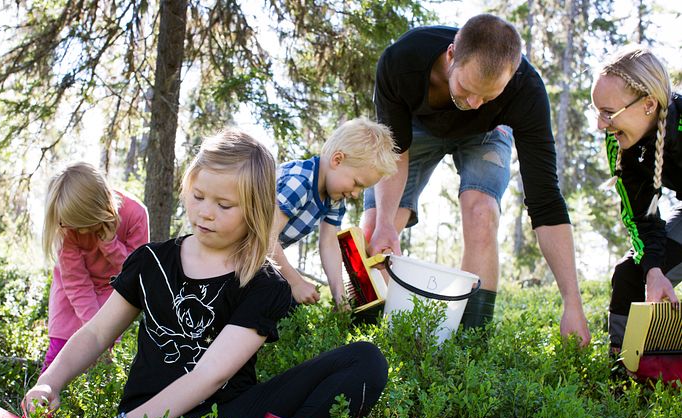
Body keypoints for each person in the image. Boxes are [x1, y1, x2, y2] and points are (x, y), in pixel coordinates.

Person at [22, 129, 388, 418]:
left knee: (366, 360)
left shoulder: (262, 283)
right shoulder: (152, 261)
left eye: (225, 205)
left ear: (255, 210)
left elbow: (210, 376)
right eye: (198, 196)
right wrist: (49, 383)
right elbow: (96, 333)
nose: (206, 212)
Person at [361, 14, 590, 344]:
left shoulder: (526, 91)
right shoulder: (403, 62)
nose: (474, 103)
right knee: (376, 225)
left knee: (481, 211)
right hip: (417, 129)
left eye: (489, 95)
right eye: (466, 89)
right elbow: (394, 152)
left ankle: (472, 341)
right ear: (451, 54)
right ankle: (372, 330)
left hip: (487, 134)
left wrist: (572, 302)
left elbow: (546, 200)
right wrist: (384, 221)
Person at [590, 45, 681, 353]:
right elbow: (642, 216)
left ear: (648, 105)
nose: (601, 124)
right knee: (632, 272)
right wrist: (654, 269)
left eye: (608, 113)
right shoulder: (620, 142)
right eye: (597, 111)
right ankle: (622, 375)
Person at [272, 117, 398, 307]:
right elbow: (264, 236)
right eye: (357, 183)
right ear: (337, 160)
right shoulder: (299, 181)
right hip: (234, 246)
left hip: (257, 255)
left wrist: (339, 294)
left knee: (286, 304)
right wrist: (296, 282)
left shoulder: (334, 198)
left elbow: (329, 243)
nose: (355, 194)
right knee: (276, 296)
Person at [41, 162, 149, 370]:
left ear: (97, 211)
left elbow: (135, 273)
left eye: (81, 226)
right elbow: (76, 282)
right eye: (68, 225)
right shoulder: (68, 225)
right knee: (58, 353)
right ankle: (40, 400)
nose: (77, 232)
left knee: (100, 362)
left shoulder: (135, 215)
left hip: (114, 292)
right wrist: (93, 328)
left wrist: (110, 245)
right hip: (70, 294)